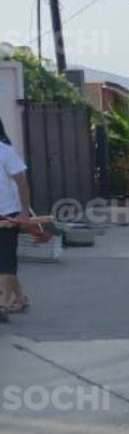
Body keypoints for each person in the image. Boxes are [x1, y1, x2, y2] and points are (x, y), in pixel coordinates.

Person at [0, 116, 32, 319]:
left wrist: (24, 212)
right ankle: (20, 298)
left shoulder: (5, 151)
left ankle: (1, 305)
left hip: (9, 214)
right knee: (4, 261)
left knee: (5, 260)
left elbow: (22, 183)